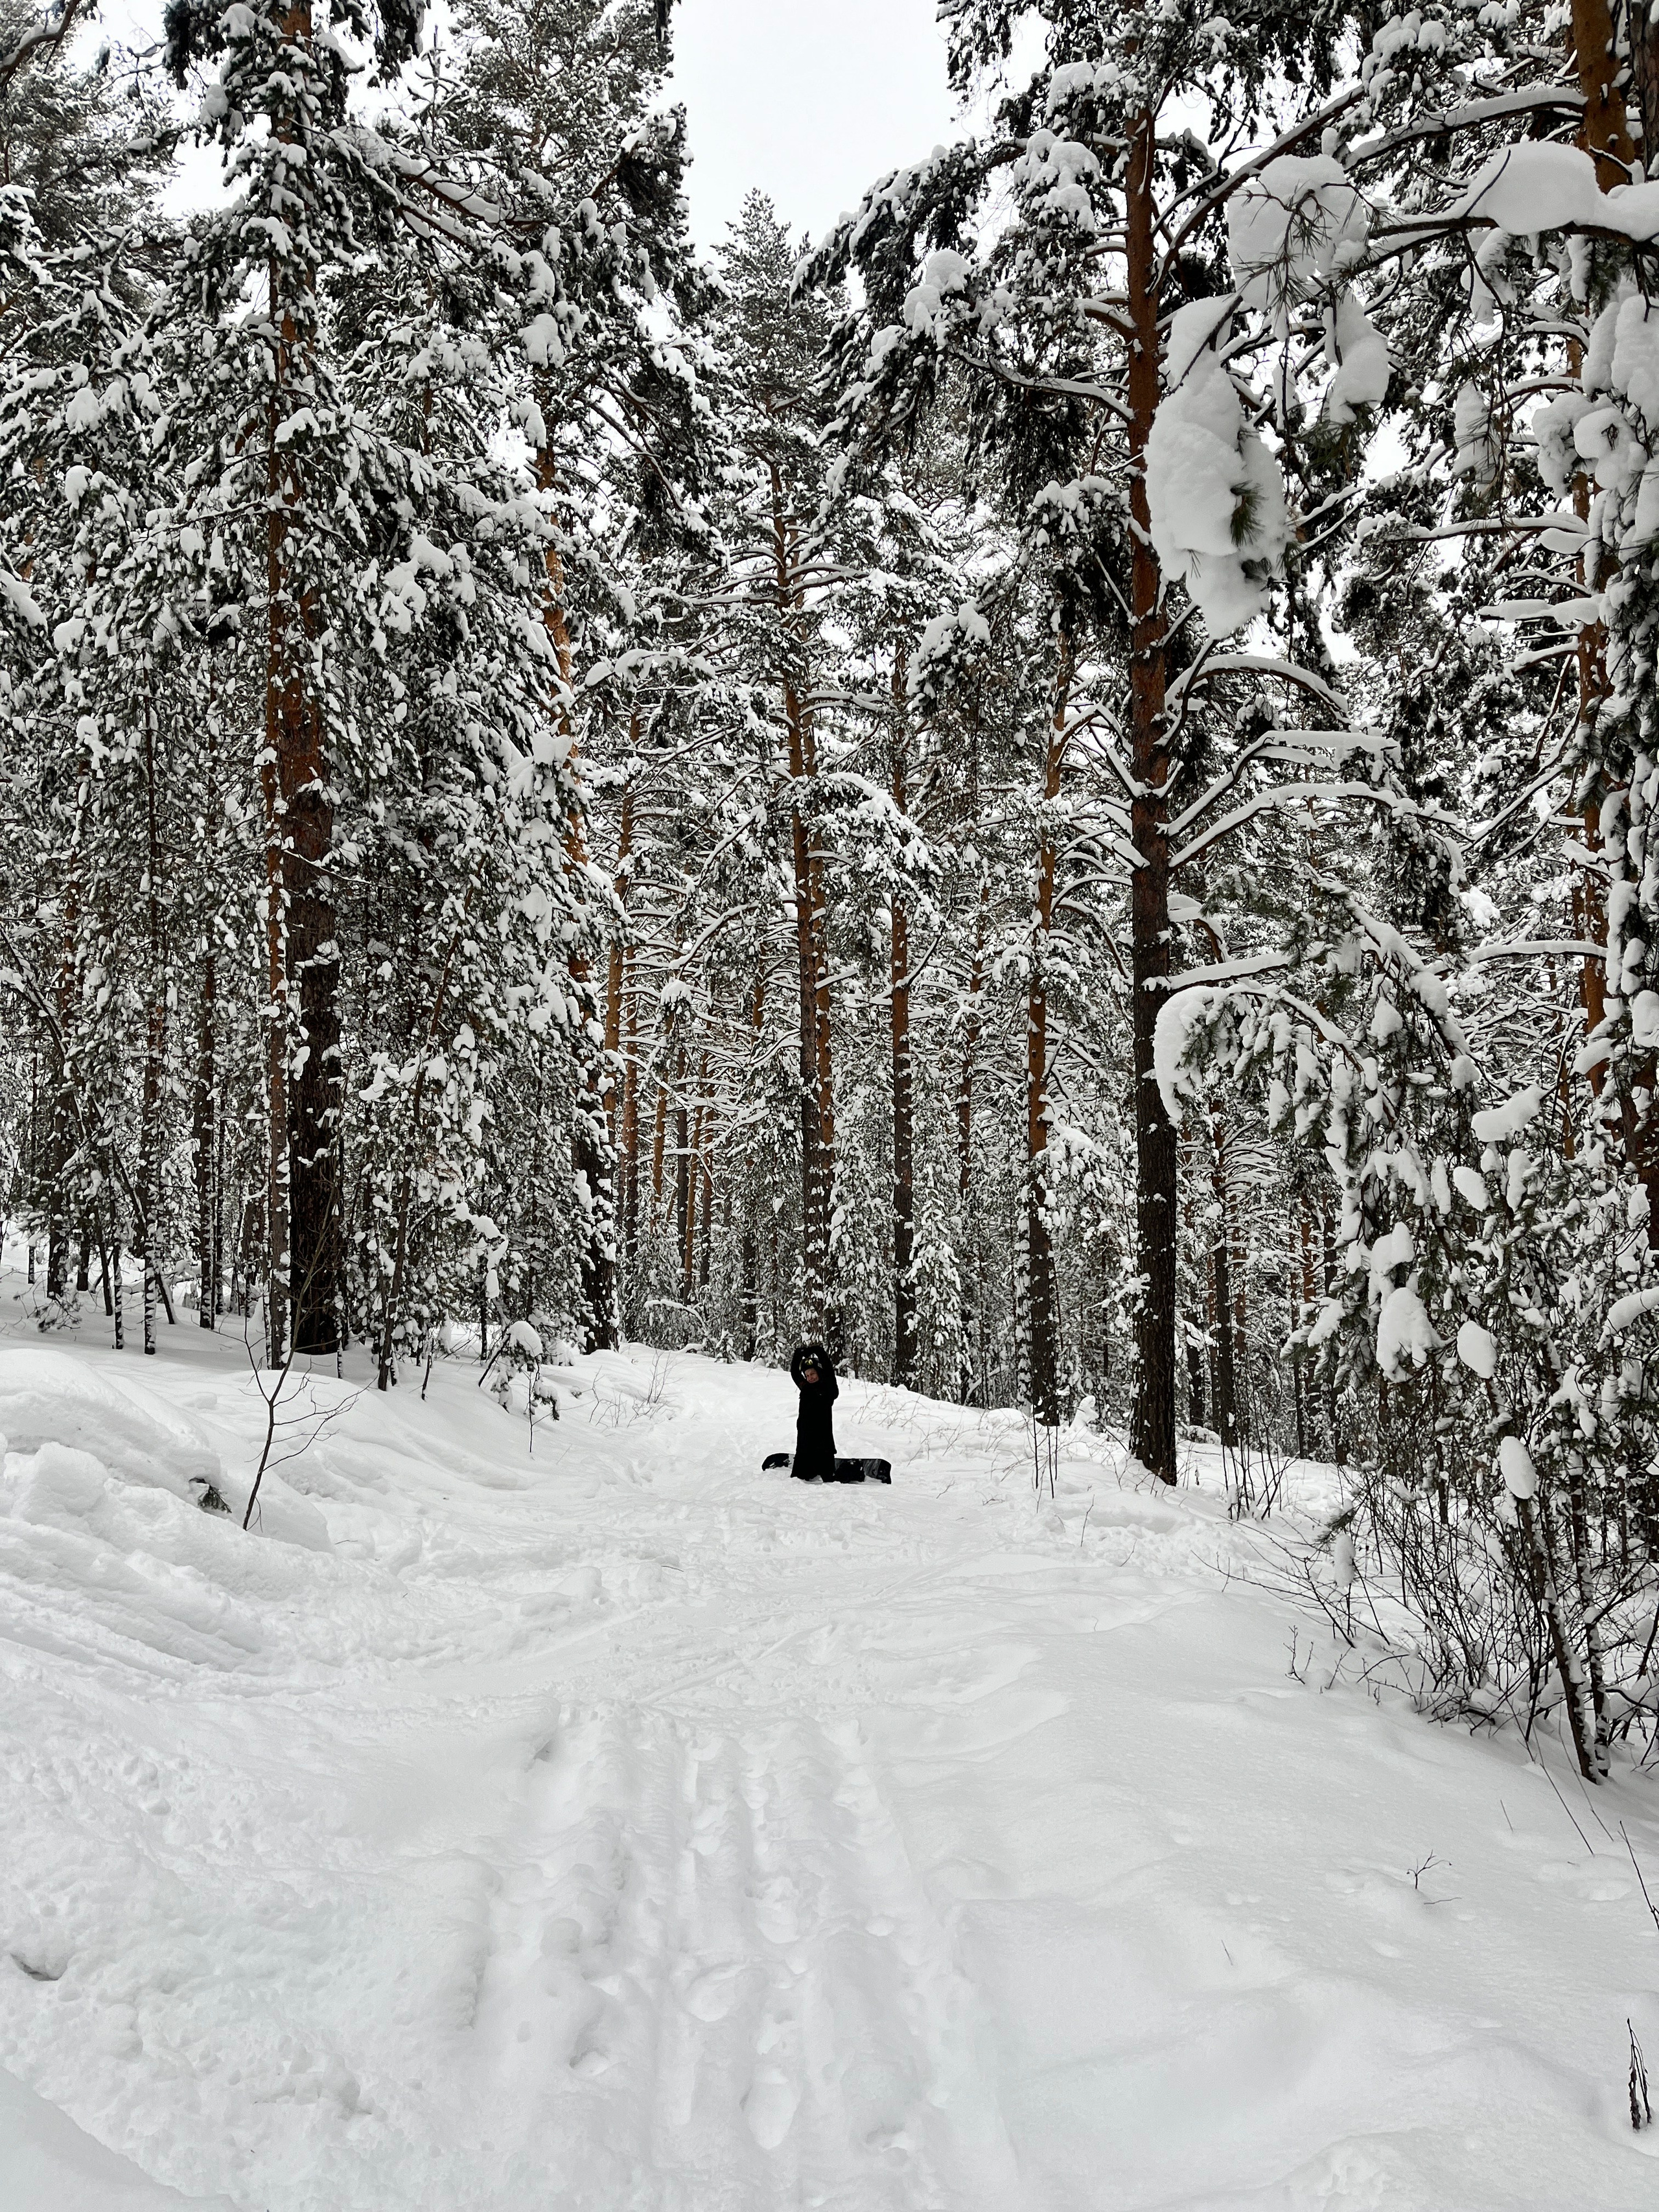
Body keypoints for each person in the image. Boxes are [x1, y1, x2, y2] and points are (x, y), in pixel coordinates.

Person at [789, 1342, 839, 1481]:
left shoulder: (829, 1388)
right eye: (807, 1375)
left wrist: (817, 1350)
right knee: (799, 1478)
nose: (810, 1377)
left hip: (823, 1440)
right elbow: (795, 1373)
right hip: (805, 1440)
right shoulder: (805, 1387)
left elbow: (828, 1368)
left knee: (828, 1478)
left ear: (819, 1372)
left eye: (813, 1373)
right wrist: (798, 1354)